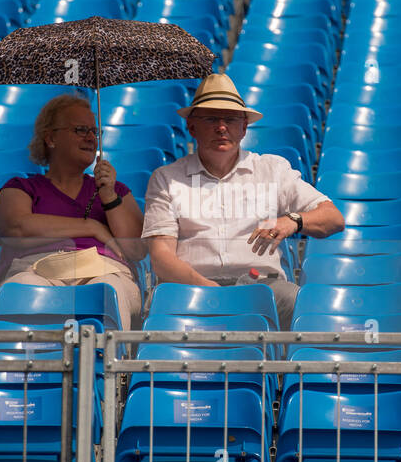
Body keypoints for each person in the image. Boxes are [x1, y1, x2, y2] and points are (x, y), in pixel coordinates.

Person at [141, 73, 344, 327]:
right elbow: (161, 258)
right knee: (156, 308)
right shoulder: (166, 179)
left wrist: (293, 220)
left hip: (261, 286)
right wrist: (210, 290)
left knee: (297, 302)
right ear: (191, 127)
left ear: (244, 127)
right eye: (211, 118)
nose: (221, 127)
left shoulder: (273, 170)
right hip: (190, 287)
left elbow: (333, 218)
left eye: (231, 119)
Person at [0, 93, 145, 329]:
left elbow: (136, 249)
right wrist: (92, 227)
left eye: (94, 132)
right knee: (23, 287)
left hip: (105, 269)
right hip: (38, 269)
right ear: (51, 138)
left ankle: (106, 364)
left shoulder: (115, 190)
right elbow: (16, 228)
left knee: (108, 290)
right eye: (80, 130)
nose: (90, 138)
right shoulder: (21, 187)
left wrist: (109, 197)